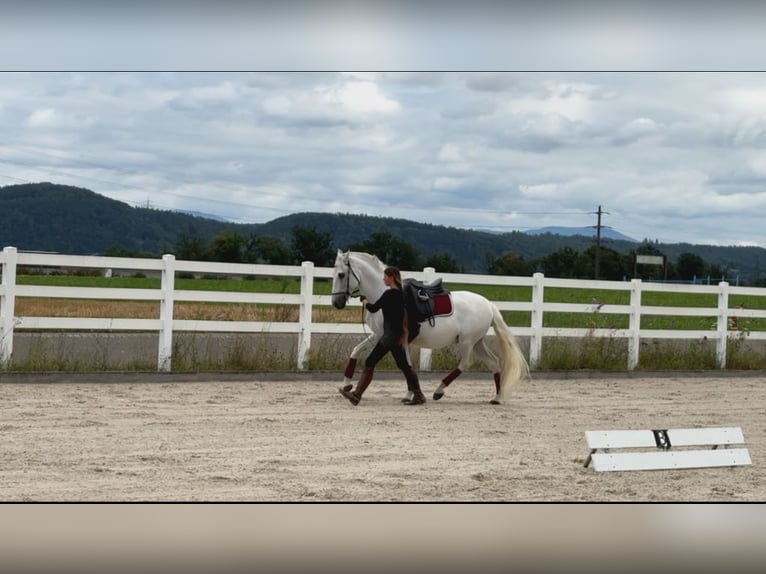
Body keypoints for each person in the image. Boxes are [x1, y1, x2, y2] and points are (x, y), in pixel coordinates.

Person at [339, 266, 426, 406]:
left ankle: (356, 395)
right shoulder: (401, 293)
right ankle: (418, 395)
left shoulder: (389, 294)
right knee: (404, 366)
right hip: (397, 336)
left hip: (389, 338)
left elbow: (374, 308)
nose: (383, 279)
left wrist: (364, 301)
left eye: (385, 277)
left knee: (370, 362)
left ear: (391, 277)